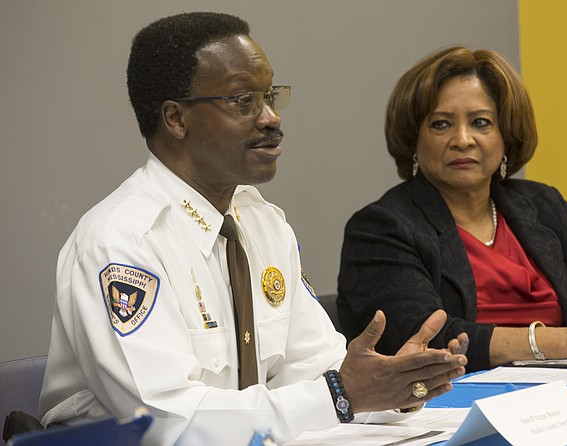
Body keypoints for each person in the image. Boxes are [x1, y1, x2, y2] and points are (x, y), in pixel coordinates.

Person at [37, 13, 468, 446]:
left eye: (271, 96)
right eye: (243, 101)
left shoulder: (261, 224)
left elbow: (315, 371)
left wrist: (393, 386)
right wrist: (341, 394)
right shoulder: (122, 241)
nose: (270, 119)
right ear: (175, 119)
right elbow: (166, 422)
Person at [337, 46, 567, 373]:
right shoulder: (381, 227)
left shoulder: (542, 206)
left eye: (481, 122)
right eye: (441, 124)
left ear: (505, 136)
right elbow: (424, 338)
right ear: (413, 139)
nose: (463, 139)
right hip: (455, 403)